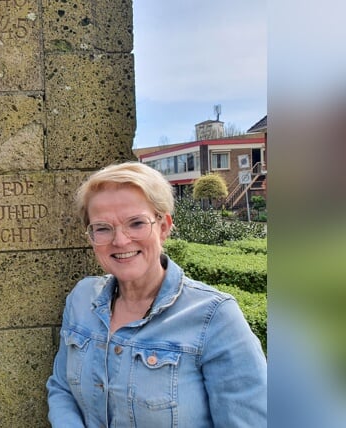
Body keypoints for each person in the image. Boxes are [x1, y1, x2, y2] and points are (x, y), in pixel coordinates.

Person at [46, 162, 266, 427]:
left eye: (136, 223)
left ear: (163, 227)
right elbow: (61, 388)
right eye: (103, 228)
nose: (120, 241)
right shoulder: (81, 299)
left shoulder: (214, 317)